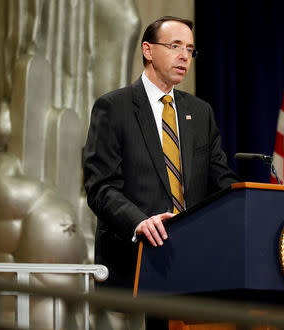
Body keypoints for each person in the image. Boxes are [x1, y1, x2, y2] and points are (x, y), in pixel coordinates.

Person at [82, 16, 237, 290]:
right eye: (175, 46)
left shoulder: (200, 112)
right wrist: (139, 222)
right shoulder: (114, 107)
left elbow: (220, 181)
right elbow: (100, 186)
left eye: (190, 49)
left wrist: (252, 200)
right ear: (148, 50)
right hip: (137, 257)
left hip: (194, 258)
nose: (184, 57)